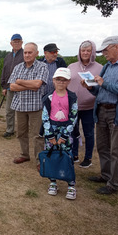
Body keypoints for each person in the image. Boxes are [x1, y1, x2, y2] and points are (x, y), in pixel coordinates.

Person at [82, 36, 118, 195]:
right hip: (101, 110)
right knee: (103, 147)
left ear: (116, 47)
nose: (103, 54)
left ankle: (114, 184)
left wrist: (104, 83)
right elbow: (100, 90)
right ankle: (105, 175)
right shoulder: (108, 66)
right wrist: (90, 87)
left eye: (106, 50)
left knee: (116, 151)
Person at [8, 42, 48, 164]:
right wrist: (29, 85)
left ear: (36, 53)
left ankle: (39, 160)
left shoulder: (42, 67)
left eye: (30, 52)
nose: (27, 55)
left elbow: (37, 85)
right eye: (25, 52)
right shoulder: (18, 67)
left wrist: (20, 81)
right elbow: (12, 87)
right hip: (20, 106)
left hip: (36, 107)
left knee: (37, 135)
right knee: (21, 133)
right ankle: (24, 154)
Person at [42, 68, 78, 200]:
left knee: (67, 156)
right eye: (58, 79)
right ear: (53, 80)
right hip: (51, 129)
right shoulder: (48, 97)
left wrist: (64, 135)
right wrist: (50, 135)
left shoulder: (72, 97)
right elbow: (45, 117)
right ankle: (52, 182)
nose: (61, 82)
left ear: (68, 81)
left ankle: (71, 185)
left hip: (66, 132)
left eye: (64, 80)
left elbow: (73, 116)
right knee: (52, 155)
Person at [68, 40, 103, 168]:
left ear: (92, 52)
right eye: (83, 50)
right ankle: (74, 154)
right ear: (79, 52)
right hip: (73, 106)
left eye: (88, 50)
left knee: (88, 133)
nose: (85, 53)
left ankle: (88, 157)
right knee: (73, 131)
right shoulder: (71, 66)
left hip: (89, 106)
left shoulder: (99, 68)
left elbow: (101, 85)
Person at [0, 33, 24, 138]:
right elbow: (4, 71)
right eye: (15, 41)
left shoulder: (25, 54)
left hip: (22, 88)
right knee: (9, 110)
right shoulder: (8, 56)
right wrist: (4, 86)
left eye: (19, 41)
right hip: (9, 87)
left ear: (22, 42)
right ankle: (10, 130)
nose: (17, 43)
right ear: (11, 43)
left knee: (22, 111)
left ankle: (23, 131)